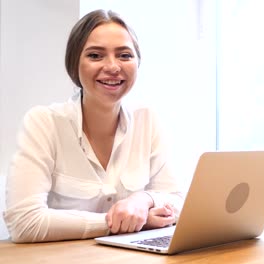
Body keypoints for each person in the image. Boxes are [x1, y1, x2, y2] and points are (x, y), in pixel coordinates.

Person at [3, 9, 183, 243]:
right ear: (74, 64)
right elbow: (24, 223)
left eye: (125, 55)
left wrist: (143, 201)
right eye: (96, 55)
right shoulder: (44, 122)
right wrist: (120, 222)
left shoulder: (147, 120)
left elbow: (177, 202)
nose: (112, 66)